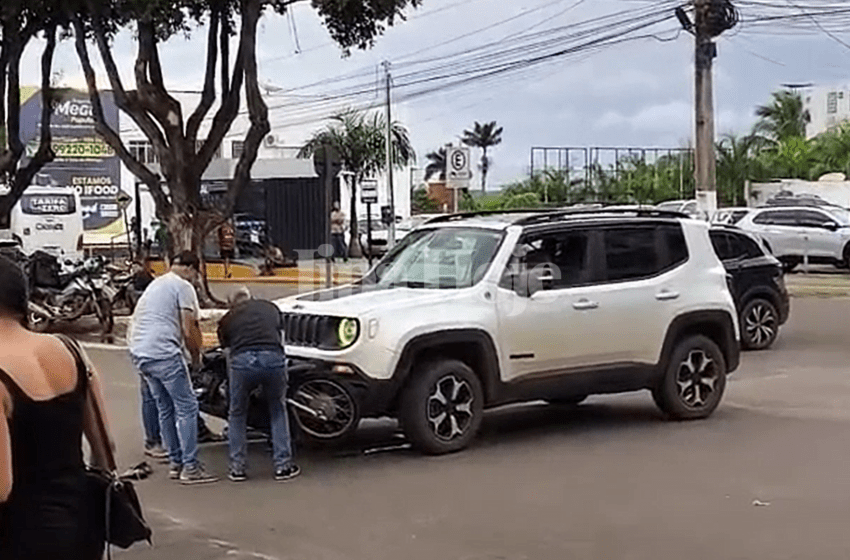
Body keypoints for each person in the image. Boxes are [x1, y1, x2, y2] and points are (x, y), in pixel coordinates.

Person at [0, 254, 115, 559]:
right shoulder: (70, 350)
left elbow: (2, 485)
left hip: (20, 537)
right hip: (81, 526)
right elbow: (106, 450)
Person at [128, 251, 218, 485]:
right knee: (187, 407)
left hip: (140, 351)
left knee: (164, 406)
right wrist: (197, 358)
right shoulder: (183, 287)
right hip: (163, 353)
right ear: (191, 269)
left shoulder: (157, 284)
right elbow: (189, 329)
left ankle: (176, 463)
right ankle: (190, 468)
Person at [217, 287, 299, 482]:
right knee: (278, 408)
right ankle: (283, 466)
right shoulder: (270, 307)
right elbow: (280, 333)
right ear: (250, 297)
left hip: (242, 361)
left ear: (231, 304)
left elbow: (226, 348)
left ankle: (237, 468)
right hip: (272, 357)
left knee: (237, 413)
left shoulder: (229, 318)